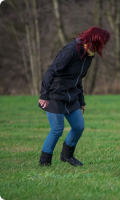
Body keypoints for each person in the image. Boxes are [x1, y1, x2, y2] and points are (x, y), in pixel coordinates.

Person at [38, 26, 110, 166]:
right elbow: (51, 72)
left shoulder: (88, 55)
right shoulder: (70, 51)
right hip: (55, 94)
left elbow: (78, 79)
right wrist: (44, 95)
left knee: (78, 127)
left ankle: (66, 156)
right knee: (57, 130)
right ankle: (44, 162)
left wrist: (81, 101)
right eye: (101, 44)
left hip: (71, 95)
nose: (102, 47)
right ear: (93, 40)